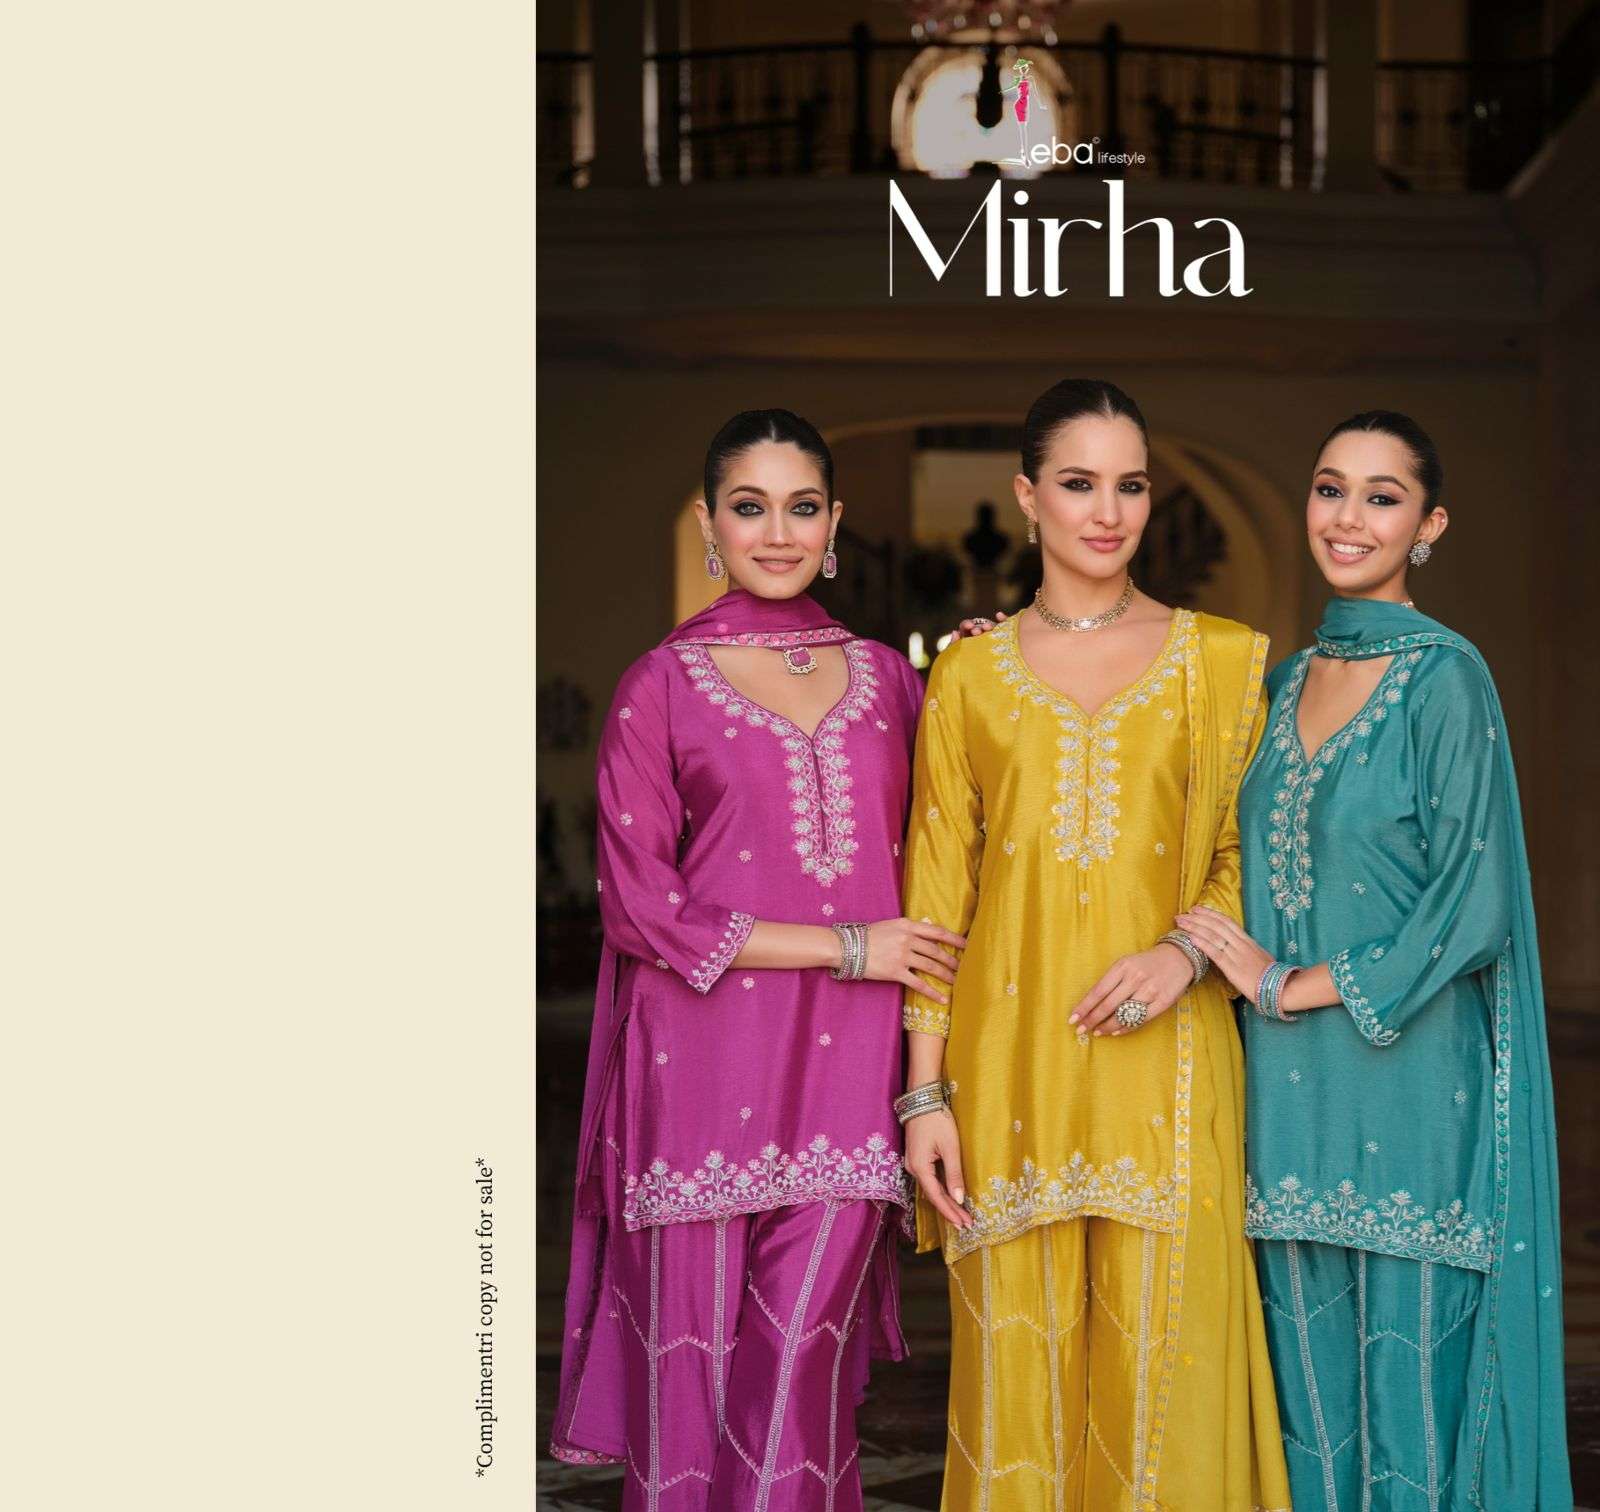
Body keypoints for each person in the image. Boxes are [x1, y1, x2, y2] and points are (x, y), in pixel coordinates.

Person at [550, 409, 966, 1511]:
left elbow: (965, 822)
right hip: (695, 1070)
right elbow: (642, 909)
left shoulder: (895, 682)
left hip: (848, 1079)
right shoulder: (661, 686)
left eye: (801, 507)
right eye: (749, 507)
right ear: (709, 524)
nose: (777, 533)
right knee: (689, 1382)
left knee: (796, 1371)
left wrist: (996, 671)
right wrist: (852, 946)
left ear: (834, 523)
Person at [900, 379, 1291, 1510]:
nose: (1107, 512)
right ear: (1027, 497)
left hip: (1170, 1069)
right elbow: (937, 901)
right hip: (1006, 1069)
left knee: (1167, 1372)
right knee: (1017, 1393)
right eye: (1078, 483)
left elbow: (1248, 855)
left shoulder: (1223, 662)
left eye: (1130, 485)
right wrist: (924, 1099)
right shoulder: (968, 675)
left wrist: (1184, 954)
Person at [1175, 410, 1572, 1510]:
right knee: (1306, 1415)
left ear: (1428, 525)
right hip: (1285, 1103)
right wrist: (1018, 638)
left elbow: (1475, 902)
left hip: (1413, 1091)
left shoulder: (1446, 680)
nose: (1348, 518)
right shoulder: (1276, 684)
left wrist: (1290, 984)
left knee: (1411, 1414)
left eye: (1382, 497)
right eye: (1329, 488)